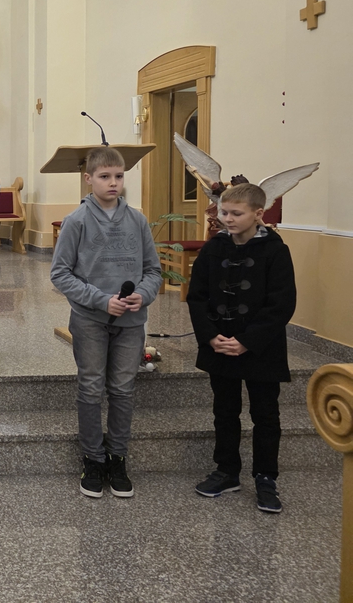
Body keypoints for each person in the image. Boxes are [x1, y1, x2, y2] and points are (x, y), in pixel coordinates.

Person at [50, 146, 161, 499]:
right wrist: (101, 300)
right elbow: (60, 274)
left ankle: (117, 457)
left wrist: (142, 294)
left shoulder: (138, 220)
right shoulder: (77, 221)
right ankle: (93, 458)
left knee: (123, 389)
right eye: (104, 176)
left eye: (119, 176)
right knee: (91, 387)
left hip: (131, 322)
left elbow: (153, 271)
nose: (113, 183)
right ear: (89, 179)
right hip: (90, 321)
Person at [188, 183, 296, 513]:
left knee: (265, 414)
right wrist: (210, 336)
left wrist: (248, 341)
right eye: (224, 212)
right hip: (220, 344)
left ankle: (266, 477)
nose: (228, 219)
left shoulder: (275, 250)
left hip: (261, 348)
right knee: (224, 410)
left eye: (236, 213)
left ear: (258, 214)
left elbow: (282, 303)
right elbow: (197, 296)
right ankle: (226, 471)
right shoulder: (214, 248)